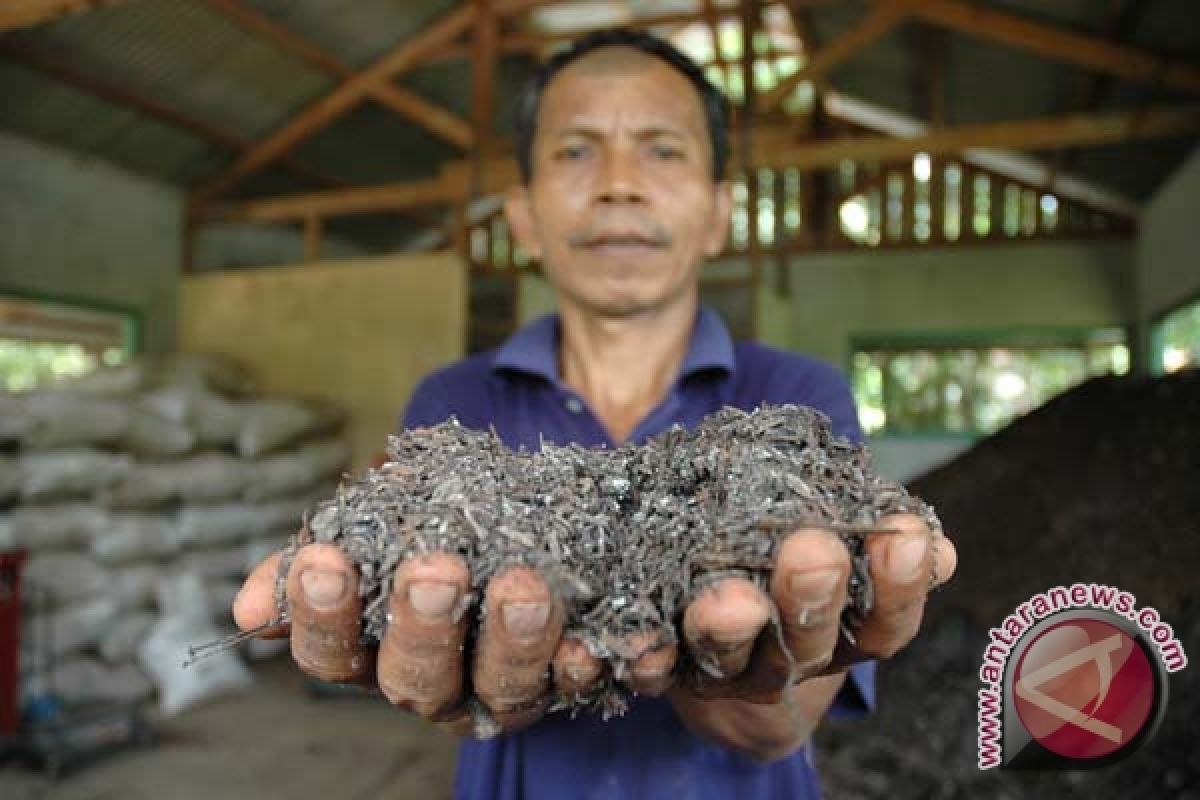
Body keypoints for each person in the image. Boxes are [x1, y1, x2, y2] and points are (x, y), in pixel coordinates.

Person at [233, 28, 958, 800]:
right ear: (522, 216)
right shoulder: (455, 405)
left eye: (663, 150)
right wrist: (459, 678)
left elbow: (777, 724)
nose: (619, 183)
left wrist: (750, 673)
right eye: (577, 151)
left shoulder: (800, 400)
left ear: (720, 213)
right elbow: (446, 667)